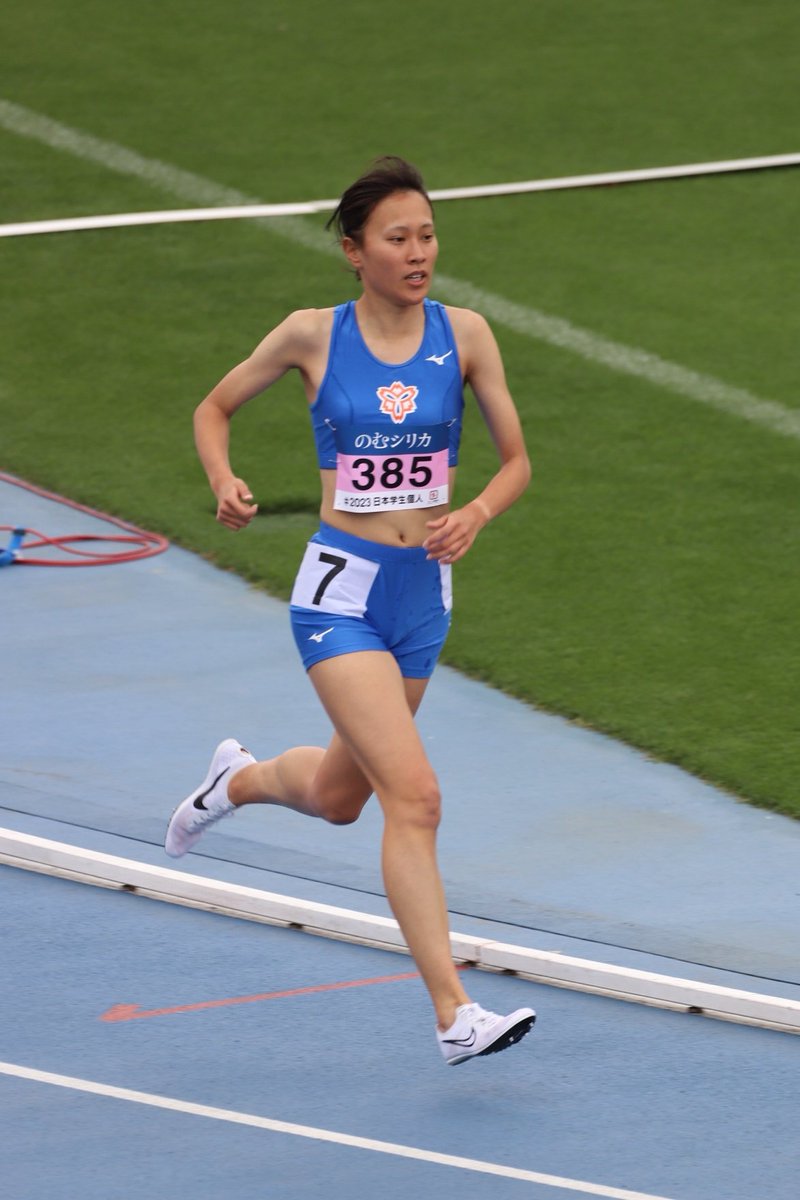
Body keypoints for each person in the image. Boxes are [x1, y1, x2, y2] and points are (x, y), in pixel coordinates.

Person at [165, 156, 535, 1066]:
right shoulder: (312, 335)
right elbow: (214, 407)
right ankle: (454, 1015)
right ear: (354, 251)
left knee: (339, 799)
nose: (418, 253)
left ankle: (234, 781)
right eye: (397, 238)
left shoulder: (468, 335)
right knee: (416, 798)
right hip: (342, 595)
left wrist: (477, 513)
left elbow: (517, 461)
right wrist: (223, 478)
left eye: (428, 235)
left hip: (423, 598)